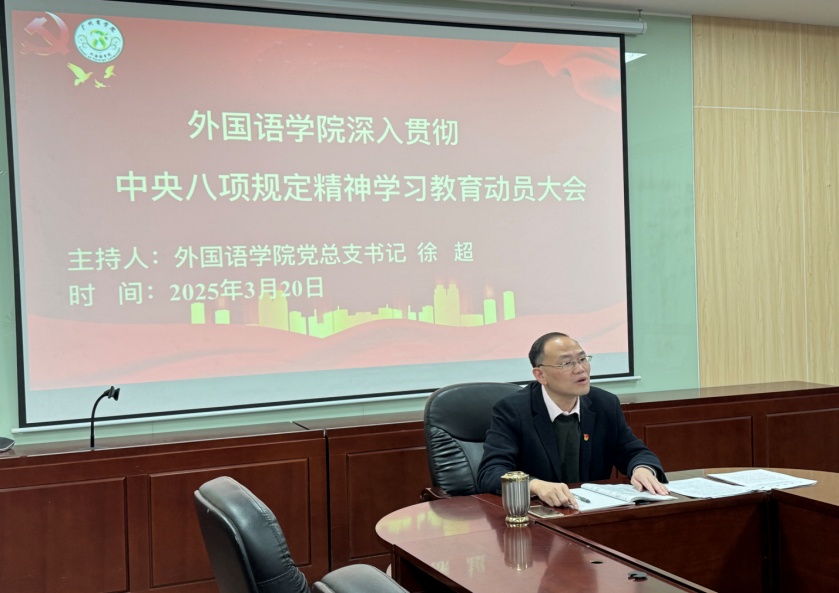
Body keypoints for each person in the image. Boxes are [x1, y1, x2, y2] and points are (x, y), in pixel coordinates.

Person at [477, 332, 668, 508]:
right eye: (567, 363)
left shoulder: (604, 404)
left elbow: (633, 451)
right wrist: (534, 485)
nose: (580, 369)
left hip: (592, 511)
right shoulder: (513, 410)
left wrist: (642, 469)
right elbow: (491, 472)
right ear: (540, 375)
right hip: (539, 515)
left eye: (582, 359)